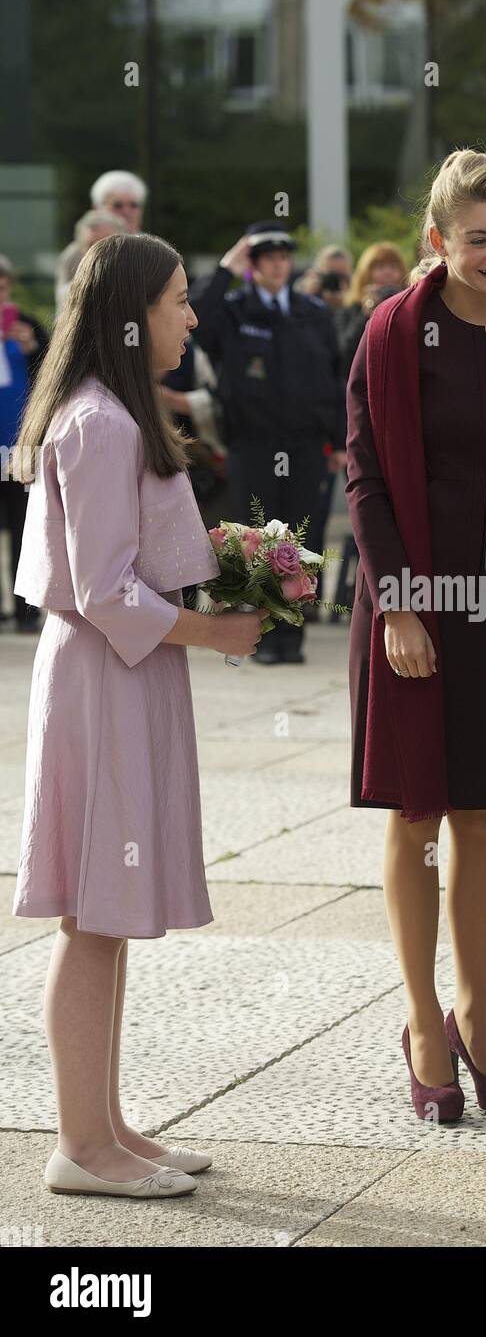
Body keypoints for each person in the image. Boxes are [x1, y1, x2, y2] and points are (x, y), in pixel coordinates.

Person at [11, 231, 267, 1199]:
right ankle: (82, 1143)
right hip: (106, 679)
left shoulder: (107, 413)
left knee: (103, 917)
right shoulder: (101, 423)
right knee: (92, 917)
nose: (191, 316)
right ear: (132, 315)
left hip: (119, 676)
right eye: (177, 300)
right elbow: (106, 591)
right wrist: (214, 631)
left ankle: (104, 1123)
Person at [345, 148, 486, 1125]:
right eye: (477, 238)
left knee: (482, 812)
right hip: (414, 609)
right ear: (438, 238)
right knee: (416, 815)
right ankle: (417, 1019)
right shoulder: (394, 329)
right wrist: (398, 603)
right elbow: (362, 476)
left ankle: (474, 1017)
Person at [189, 220, 343, 663]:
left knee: (298, 542)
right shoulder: (234, 309)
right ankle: (260, 639)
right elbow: (198, 321)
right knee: (258, 541)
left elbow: (333, 381)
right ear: (253, 265)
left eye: (283, 258)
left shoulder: (311, 311)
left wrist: (338, 442)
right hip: (253, 445)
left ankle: (291, 637)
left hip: (306, 447)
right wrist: (226, 269)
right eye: (267, 259)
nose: (279, 266)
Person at [0, 254, 49, 631]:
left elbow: (51, 374)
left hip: (19, 444)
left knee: (25, 525)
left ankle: (24, 611)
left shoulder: (26, 324)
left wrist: (31, 347)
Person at [336, 242, 409, 383]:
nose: (387, 272)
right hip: (366, 384)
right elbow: (344, 354)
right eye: (380, 267)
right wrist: (366, 313)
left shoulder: (410, 307)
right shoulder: (350, 310)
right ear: (365, 274)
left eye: (393, 267)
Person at [55, 209, 128, 310]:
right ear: (81, 250)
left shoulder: (137, 278)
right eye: (92, 245)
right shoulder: (69, 262)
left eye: (108, 244)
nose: (100, 252)